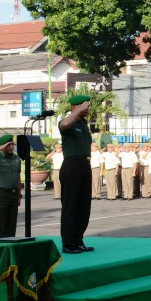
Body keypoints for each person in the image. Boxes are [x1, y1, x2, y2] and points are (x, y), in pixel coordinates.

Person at [58, 94, 94, 254]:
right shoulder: (69, 122)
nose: (87, 108)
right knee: (70, 207)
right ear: (75, 107)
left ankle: (78, 240)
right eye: (84, 105)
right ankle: (68, 244)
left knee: (83, 207)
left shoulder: (84, 125)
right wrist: (77, 111)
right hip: (71, 165)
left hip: (85, 165)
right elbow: (65, 124)